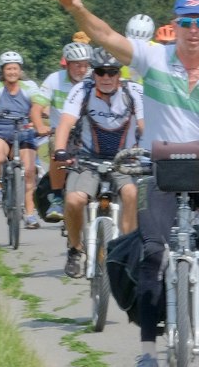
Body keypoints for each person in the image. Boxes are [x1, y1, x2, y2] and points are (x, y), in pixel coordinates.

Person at [50, 0, 199, 367]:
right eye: (186, 22)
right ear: (175, 26)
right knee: (151, 253)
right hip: (159, 171)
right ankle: (148, 353)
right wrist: (79, 9)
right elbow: (105, 37)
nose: (193, 30)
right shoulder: (153, 58)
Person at [55, 49, 147, 274]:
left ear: (119, 73)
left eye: (112, 72)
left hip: (123, 159)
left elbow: (144, 125)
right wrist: (59, 149)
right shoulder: (81, 90)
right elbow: (66, 123)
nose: (106, 77)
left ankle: (127, 251)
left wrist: (148, 149)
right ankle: (75, 250)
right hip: (88, 159)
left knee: (131, 194)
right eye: (100, 72)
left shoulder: (133, 91)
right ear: (93, 73)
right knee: (74, 200)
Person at [0, 51, 51, 228]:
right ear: (2, 71)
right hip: (0, 131)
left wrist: (43, 115)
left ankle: (30, 213)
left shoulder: (29, 85)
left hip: (24, 132)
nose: (12, 72)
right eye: (8, 68)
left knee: (29, 172)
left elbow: (37, 101)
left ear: (20, 70)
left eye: (15, 68)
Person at [38, 40, 96, 222]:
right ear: (67, 65)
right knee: (57, 146)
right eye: (77, 65)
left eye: (86, 65)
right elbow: (37, 107)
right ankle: (56, 196)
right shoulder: (54, 80)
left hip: (88, 133)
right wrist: (40, 125)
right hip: (61, 131)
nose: (82, 69)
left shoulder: (95, 79)